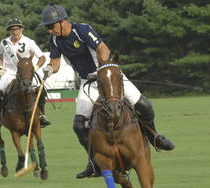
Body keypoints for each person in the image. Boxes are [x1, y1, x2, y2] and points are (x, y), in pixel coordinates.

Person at [38, 5, 175, 179]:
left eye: (51, 26)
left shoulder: (82, 30)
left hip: (108, 75)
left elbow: (104, 49)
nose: (50, 30)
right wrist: (50, 69)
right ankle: (94, 163)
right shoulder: (55, 40)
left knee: (143, 105)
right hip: (88, 82)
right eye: (48, 28)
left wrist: (100, 69)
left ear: (62, 21)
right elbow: (56, 62)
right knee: (79, 125)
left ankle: (155, 136)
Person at [0, 18, 50, 128]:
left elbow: (42, 57)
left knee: (40, 91)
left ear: (21, 29)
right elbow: (0, 55)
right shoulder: (4, 42)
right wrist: (0, 67)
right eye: (12, 29)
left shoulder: (29, 42)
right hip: (9, 74)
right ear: (9, 31)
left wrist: (36, 68)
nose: (15, 32)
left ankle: (41, 115)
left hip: (26, 75)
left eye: (17, 29)